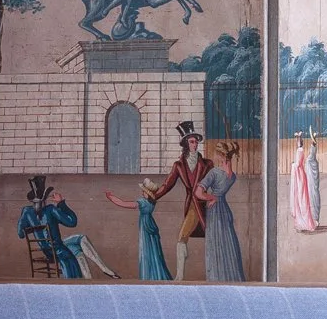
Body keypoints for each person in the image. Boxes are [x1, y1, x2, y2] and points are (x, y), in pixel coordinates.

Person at [18, 176, 118, 279]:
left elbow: (20, 234)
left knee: (77, 248)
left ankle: (89, 279)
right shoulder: (51, 210)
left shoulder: (26, 211)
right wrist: (61, 203)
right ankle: (104, 269)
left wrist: (32, 226)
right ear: (45, 198)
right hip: (57, 250)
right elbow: (72, 222)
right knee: (81, 238)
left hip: (47, 251)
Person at [147, 121, 209, 281]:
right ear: (186, 144)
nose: (195, 144)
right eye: (192, 141)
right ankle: (180, 274)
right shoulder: (179, 165)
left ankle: (183, 275)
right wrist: (153, 196)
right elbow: (167, 185)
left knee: (190, 236)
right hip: (191, 205)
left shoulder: (207, 164)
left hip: (205, 206)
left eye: (196, 141)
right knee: (183, 237)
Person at [105, 178, 173, 281]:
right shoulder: (153, 202)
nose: (141, 192)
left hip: (145, 226)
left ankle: (148, 277)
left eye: (143, 190)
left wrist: (111, 197)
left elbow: (124, 204)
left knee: (146, 251)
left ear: (146, 192)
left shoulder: (142, 202)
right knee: (155, 251)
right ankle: (156, 275)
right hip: (151, 224)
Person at [196, 142, 245, 282]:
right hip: (224, 209)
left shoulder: (215, 173)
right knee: (228, 244)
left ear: (220, 156)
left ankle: (217, 279)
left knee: (216, 244)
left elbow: (198, 192)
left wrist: (211, 197)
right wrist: (215, 197)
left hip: (215, 211)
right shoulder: (232, 176)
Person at [289, 133, 316, 233]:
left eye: (298, 140)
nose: (297, 141)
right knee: (300, 199)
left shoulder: (300, 150)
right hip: (299, 175)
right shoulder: (299, 150)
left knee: (301, 199)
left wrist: (293, 165)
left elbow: (298, 164)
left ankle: (305, 223)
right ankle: (301, 223)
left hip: (299, 176)